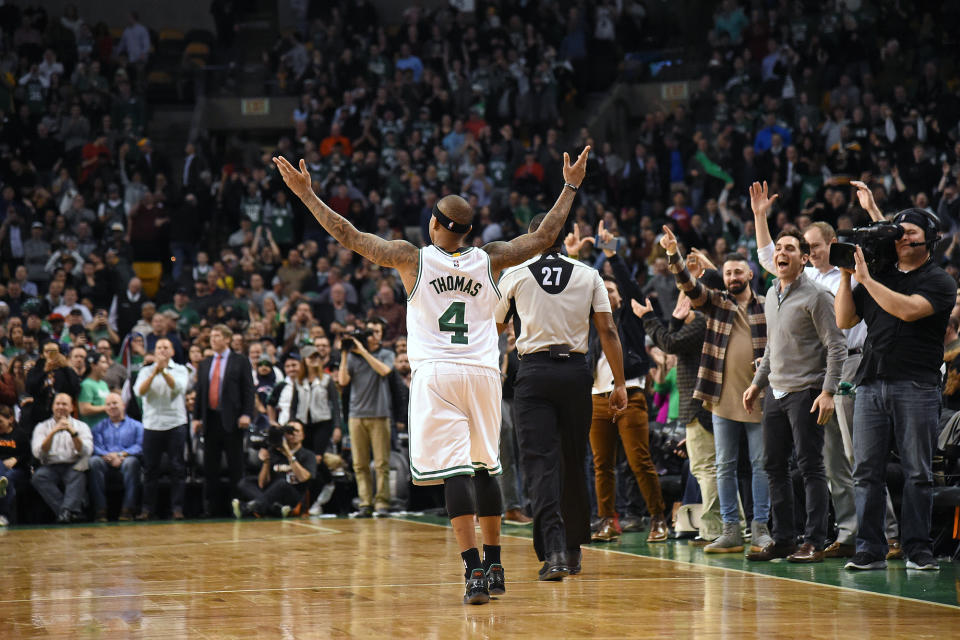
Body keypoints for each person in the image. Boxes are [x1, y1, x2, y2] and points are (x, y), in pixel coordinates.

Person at [274, 145, 590, 605]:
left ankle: (474, 573)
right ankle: (497, 562)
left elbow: (348, 234)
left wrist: (306, 195)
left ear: (435, 225)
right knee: (486, 467)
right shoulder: (492, 257)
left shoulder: (411, 257)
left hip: (437, 373)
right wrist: (570, 185)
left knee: (455, 472)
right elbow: (543, 237)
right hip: (483, 372)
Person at [494, 215, 627, 581]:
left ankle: (553, 553)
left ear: (534, 236)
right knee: (573, 459)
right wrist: (619, 383)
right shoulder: (588, 275)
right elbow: (609, 330)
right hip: (576, 374)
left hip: (534, 375)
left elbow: (494, 329)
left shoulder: (516, 275)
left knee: (540, 464)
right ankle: (572, 549)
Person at [835, 206, 955, 571]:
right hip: (871, 383)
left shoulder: (939, 280)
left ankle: (918, 549)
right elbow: (844, 319)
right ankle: (870, 549)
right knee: (866, 471)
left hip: (917, 384)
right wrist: (845, 276)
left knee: (917, 471)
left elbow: (907, 310)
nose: (903, 236)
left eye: (912, 231)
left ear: (930, 238)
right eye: (898, 231)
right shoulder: (882, 273)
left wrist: (868, 280)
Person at [661, 224, 773, 554]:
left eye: (739, 270)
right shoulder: (716, 304)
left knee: (759, 465)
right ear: (722, 277)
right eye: (728, 272)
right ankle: (729, 531)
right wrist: (674, 255)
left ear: (750, 274)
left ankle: (761, 529)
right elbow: (689, 285)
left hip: (758, 398)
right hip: (720, 399)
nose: (734, 276)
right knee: (723, 466)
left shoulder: (766, 305)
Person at [742, 224, 846, 563]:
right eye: (779, 249)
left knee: (811, 466)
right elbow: (772, 347)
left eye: (790, 248)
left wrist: (829, 391)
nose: (781, 253)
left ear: (804, 258)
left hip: (808, 391)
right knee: (773, 465)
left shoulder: (817, 296)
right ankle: (784, 538)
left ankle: (814, 539)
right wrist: (757, 383)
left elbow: (836, 346)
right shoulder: (772, 292)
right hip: (776, 390)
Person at [584, 222, 668, 545]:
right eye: (602, 292)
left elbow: (631, 288)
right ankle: (607, 520)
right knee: (602, 465)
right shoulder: (591, 323)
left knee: (639, 460)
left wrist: (612, 255)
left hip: (630, 393)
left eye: (612, 291)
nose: (608, 295)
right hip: (596, 397)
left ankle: (658, 518)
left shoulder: (629, 317)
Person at [634, 281, 720, 546]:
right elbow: (674, 342)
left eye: (686, 299)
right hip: (695, 407)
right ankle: (715, 527)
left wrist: (649, 318)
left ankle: (714, 529)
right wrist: (674, 320)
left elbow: (670, 344)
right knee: (702, 467)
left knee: (707, 469)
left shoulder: (703, 321)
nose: (682, 304)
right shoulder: (696, 323)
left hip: (701, 405)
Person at [191, 324, 255, 516]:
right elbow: (200, 392)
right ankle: (211, 508)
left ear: (227, 339)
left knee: (236, 466)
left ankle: (237, 507)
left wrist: (247, 414)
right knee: (211, 468)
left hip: (233, 420)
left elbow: (248, 390)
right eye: (212, 336)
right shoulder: (205, 363)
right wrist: (196, 417)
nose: (213, 339)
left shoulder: (240, 361)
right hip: (210, 420)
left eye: (217, 336)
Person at [337, 318, 394, 518]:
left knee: (381, 463)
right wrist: (344, 353)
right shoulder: (351, 357)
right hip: (356, 416)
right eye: (368, 331)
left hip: (379, 414)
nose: (371, 335)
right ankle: (365, 503)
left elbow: (385, 370)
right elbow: (342, 380)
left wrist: (363, 352)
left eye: (375, 332)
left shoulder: (386, 353)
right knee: (359, 464)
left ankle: (382, 503)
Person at [134, 337, 190, 520]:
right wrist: (153, 373)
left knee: (177, 468)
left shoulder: (181, 370)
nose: (163, 351)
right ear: (154, 352)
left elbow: (178, 389)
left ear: (172, 351)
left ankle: (177, 509)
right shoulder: (145, 371)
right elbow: (139, 392)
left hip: (175, 424)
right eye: (159, 348)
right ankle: (147, 510)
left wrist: (164, 372)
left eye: (166, 347)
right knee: (150, 469)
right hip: (152, 425)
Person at [232, 419, 316, 518]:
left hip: (293, 494)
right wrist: (266, 461)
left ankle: (247, 508)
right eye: (289, 432)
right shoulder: (274, 452)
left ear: (303, 435)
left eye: (296, 431)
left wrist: (289, 454)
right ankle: (275, 509)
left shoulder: (308, 455)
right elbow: (262, 484)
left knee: (281, 483)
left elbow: (304, 478)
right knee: (245, 483)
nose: (292, 434)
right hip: (272, 494)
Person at [30, 393, 93, 523]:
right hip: (50, 466)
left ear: (72, 408)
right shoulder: (42, 427)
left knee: (78, 474)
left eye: (64, 404)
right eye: (57, 404)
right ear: (52, 407)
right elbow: (38, 453)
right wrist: (53, 432)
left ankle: (65, 513)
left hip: (73, 464)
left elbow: (87, 451)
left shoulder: (81, 426)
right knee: (38, 477)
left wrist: (73, 433)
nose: (60, 407)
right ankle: (67, 512)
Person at [88, 393, 143, 522]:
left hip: (126, 458)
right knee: (93, 462)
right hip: (105, 459)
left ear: (123, 405)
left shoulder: (137, 426)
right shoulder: (99, 427)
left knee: (131, 463)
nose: (112, 406)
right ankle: (100, 510)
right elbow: (95, 445)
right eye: (108, 404)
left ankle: (128, 510)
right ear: (105, 408)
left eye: (115, 403)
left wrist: (121, 454)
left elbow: (140, 446)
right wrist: (107, 455)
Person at [0, 406, 29, 526]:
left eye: (0, 421)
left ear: (10, 419)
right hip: (1, 466)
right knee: (3, 474)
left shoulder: (20, 434)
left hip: (18, 469)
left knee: (8, 478)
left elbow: (28, 455)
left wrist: (16, 459)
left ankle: (4, 515)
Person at [78, 353, 110, 430]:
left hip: (105, 429)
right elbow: (84, 409)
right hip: (92, 429)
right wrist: (107, 408)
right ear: (93, 365)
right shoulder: (86, 385)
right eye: (103, 362)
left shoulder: (104, 384)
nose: (107, 366)